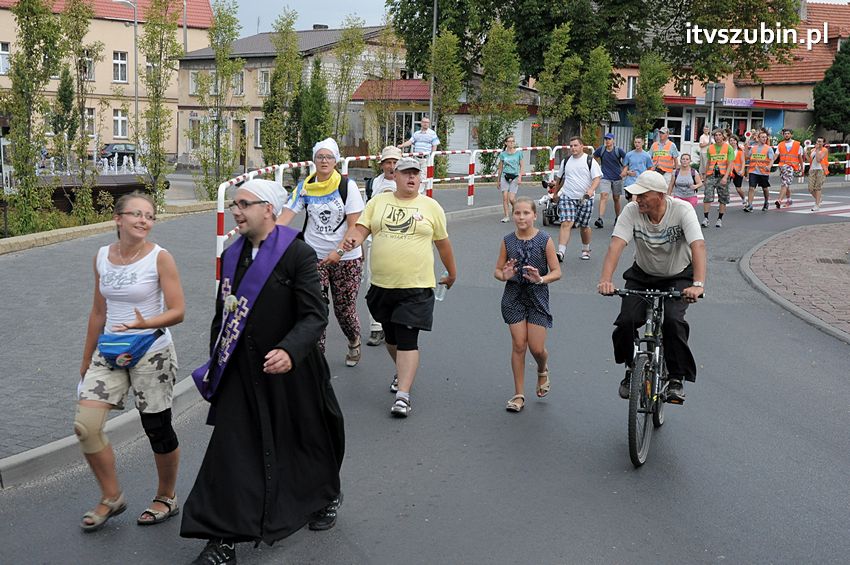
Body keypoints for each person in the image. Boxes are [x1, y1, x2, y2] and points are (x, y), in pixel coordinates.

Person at [182, 179, 345, 564]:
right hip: (241, 370)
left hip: (292, 371)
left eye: (243, 204)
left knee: (306, 439)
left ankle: (326, 496)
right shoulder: (233, 252)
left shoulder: (297, 254)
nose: (236, 211)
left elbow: (314, 315)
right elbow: (223, 314)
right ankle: (221, 539)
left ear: (269, 209)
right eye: (234, 205)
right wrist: (215, 364)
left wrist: (290, 350)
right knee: (231, 450)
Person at [75, 191, 185, 532]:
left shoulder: (160, 258)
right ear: (118, 219)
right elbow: (98, 311)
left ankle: (166, 496)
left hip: (151, 351)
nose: (143, 220)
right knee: (86, 426)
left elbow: (178, 311)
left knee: (157, 428)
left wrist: (145, 323)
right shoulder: (102, 257)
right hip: (109, 352)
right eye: (136, 214)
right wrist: (84, 362)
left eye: (149, 216)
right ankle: (112, 496)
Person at [342, 156, 457, 418]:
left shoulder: (431, 207)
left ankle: (403, 395)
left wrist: (451, 273)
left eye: (416, 173)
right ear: (396, 176)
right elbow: (362, 228)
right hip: (382, 285)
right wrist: (353, 238)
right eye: (406, 173)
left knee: (407, 339)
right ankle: (403, 370)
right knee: (391, 339)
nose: (411, 178)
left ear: (421, 177)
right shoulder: (378, 202)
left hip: (417, 286)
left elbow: (443, 244)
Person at [597, 170, 706, 404]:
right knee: (627, 320)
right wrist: (606, 279)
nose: (638, 200)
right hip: (643, 273)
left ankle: (676, 378)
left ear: (660, 195)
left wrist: (697, 284)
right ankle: (630, 369)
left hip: (678, 274)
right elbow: (616, 246)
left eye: (643, 195)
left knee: (673, 321)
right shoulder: (631, 211)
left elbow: (698, 246)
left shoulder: (681, 210)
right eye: (636, 195)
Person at [278, 138, 365, 367]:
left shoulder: (347, 187)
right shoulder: (305, 187)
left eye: (328, 157)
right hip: (313, 256)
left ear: (335, 160)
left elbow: (355, 227)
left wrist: (338, 251)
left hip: (346, 257)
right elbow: (285, 216)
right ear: (314, 160)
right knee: (315, 307)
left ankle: (354, 339)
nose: (324, 161)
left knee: (344, 310)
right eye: (320, 156)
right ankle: (317, 361)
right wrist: (266, 239)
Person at [494, 197, 561, 412]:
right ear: (513, 215)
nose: (521, 217)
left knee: (537, 348)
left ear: (534, 215)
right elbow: (497, 270)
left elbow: (557, 272)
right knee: (519, 344)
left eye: (525, 213)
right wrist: (503, 275)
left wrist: (541, 279)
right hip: (513, 296)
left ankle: (542, 368)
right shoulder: (507, 241)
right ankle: (518, 395)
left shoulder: (544, 240)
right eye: (517, 213)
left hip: (537, 296)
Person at [364, 146, 402, 346]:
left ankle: (394, 323)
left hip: (402, 245)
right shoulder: (373, 185)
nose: (392, 166)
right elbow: (364, 217)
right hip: (376, 243)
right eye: (388, 162)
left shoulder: (409, 183)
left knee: (399, 284)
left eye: (395, 162)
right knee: (373, 285)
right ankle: (376, 327)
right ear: (382, 164)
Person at [548, 136, 602, 262]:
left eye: (575, 145)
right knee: (566, 222)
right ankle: (561, 252)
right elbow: (560, 178)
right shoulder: (566, 161)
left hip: (585, 198)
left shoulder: (590, 161)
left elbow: (597, 178)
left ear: (582, 146)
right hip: (568, 196)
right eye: (571, 146)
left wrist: (591, 190)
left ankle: (585, 249)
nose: (573, 148)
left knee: (584, 225)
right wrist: (555, 194)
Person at [700, 128, 735, 228]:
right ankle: (706, 218)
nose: (717, 137)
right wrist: (705, 175)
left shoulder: (728, 148)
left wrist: (725, 177)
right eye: (715, 135)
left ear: (723, 136)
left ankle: (720, 219)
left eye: (719, 135)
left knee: (722, 198)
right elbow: (708, 162)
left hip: (723, 175)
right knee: (707, 196)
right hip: (711, 175)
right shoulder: (710, 148)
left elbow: (730, 164)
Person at [592, 132, 626, 228]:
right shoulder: (601, 150)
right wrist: (596, 169)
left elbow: (627, 159)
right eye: (606, 139)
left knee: (616, 198)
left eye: (609, 139)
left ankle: (617, 217)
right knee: (604, 195)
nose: (607, 141)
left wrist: (624, 170)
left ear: (613, 140)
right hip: (605, 177)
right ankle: (600, 219)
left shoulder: (618, 150)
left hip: (617, 177)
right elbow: (594, 158)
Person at [397, 116, 440, 183]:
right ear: (421, 123)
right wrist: (401, 145)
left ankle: (420, 192)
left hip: (425, 159)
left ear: (429, 124)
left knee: (423, 177)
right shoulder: (416, 133)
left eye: (427, 122)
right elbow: (410, 142)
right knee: (416, 174)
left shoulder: (432, 133)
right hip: (416, 158)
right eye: (424, 122)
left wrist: (432, 156)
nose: (425, 124)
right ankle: (418, 191)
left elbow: (435, 145)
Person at [744, 129, 775, 212]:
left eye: (765, 137)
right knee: (751, 188)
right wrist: (746, 148)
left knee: (765, 188)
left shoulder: (769, 148)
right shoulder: (754, 148)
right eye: (762, 137)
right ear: (758, 138)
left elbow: (772, 159)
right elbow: (747, 157)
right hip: (753, 170)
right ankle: (750, 205)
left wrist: (769, 166)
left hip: (763, 171)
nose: (764, 139)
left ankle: (766, 202)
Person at [497, 135, 524, 223]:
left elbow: (522, 166)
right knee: (505, 197)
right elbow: (500, 168)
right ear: (506, 143)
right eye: (509, 141)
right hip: (505, 176)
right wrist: (498, 181)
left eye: (513, 141)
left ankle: (516, 208)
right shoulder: (503, 154)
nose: (512, 143)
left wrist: (520, 177)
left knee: (511, 198)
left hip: (515, 176)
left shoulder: (518, 153)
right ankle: (506, 216)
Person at [775, 128, 803, 209]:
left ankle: (779, 200)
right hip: (782, 167)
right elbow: (776, 155)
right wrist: (770, 162)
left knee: (784, 184)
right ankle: (789, 200)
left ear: (791, 135)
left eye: (788, 133)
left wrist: (802, 168)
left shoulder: (797, 145)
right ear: (783, 135)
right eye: (785, 134)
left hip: (791, 167)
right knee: (786, 184)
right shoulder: (780, 144)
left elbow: (800, 157)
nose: (786, 135)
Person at [622, 135, 654, 202]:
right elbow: (624, 170)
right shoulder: (629, 155)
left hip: (641, 183)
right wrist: (628, 172)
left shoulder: (646, 156)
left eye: (639, 142)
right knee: (631, 203)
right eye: (635, 142)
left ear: (642, 143)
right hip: (630, 182)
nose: (637, 144)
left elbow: (650, 169)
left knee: (639, 202)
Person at [807, 137, 829, 211]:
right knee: (810, 188)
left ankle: (817, 205)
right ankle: (819, 199)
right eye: (817, 141)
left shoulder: (824, 150)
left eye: (820, 141)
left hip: (821, 169)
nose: (818, 143)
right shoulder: (813, 150)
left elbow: (818, 160)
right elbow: (809, 160)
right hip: (812, 170)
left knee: (817, 187)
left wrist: (817, 150)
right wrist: (805, 153)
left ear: (823, 143)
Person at [729, 136, 747, 203]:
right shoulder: (728, 150)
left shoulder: (740, 151)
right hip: (729, 170)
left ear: (736, 141)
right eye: (731, 140)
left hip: (738, 171)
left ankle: (744, 199)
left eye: (734, 140)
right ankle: (723, 202)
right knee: (725, 188)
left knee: (738, 188)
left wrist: (742, 170)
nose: (732, 142)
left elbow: (743, 162)